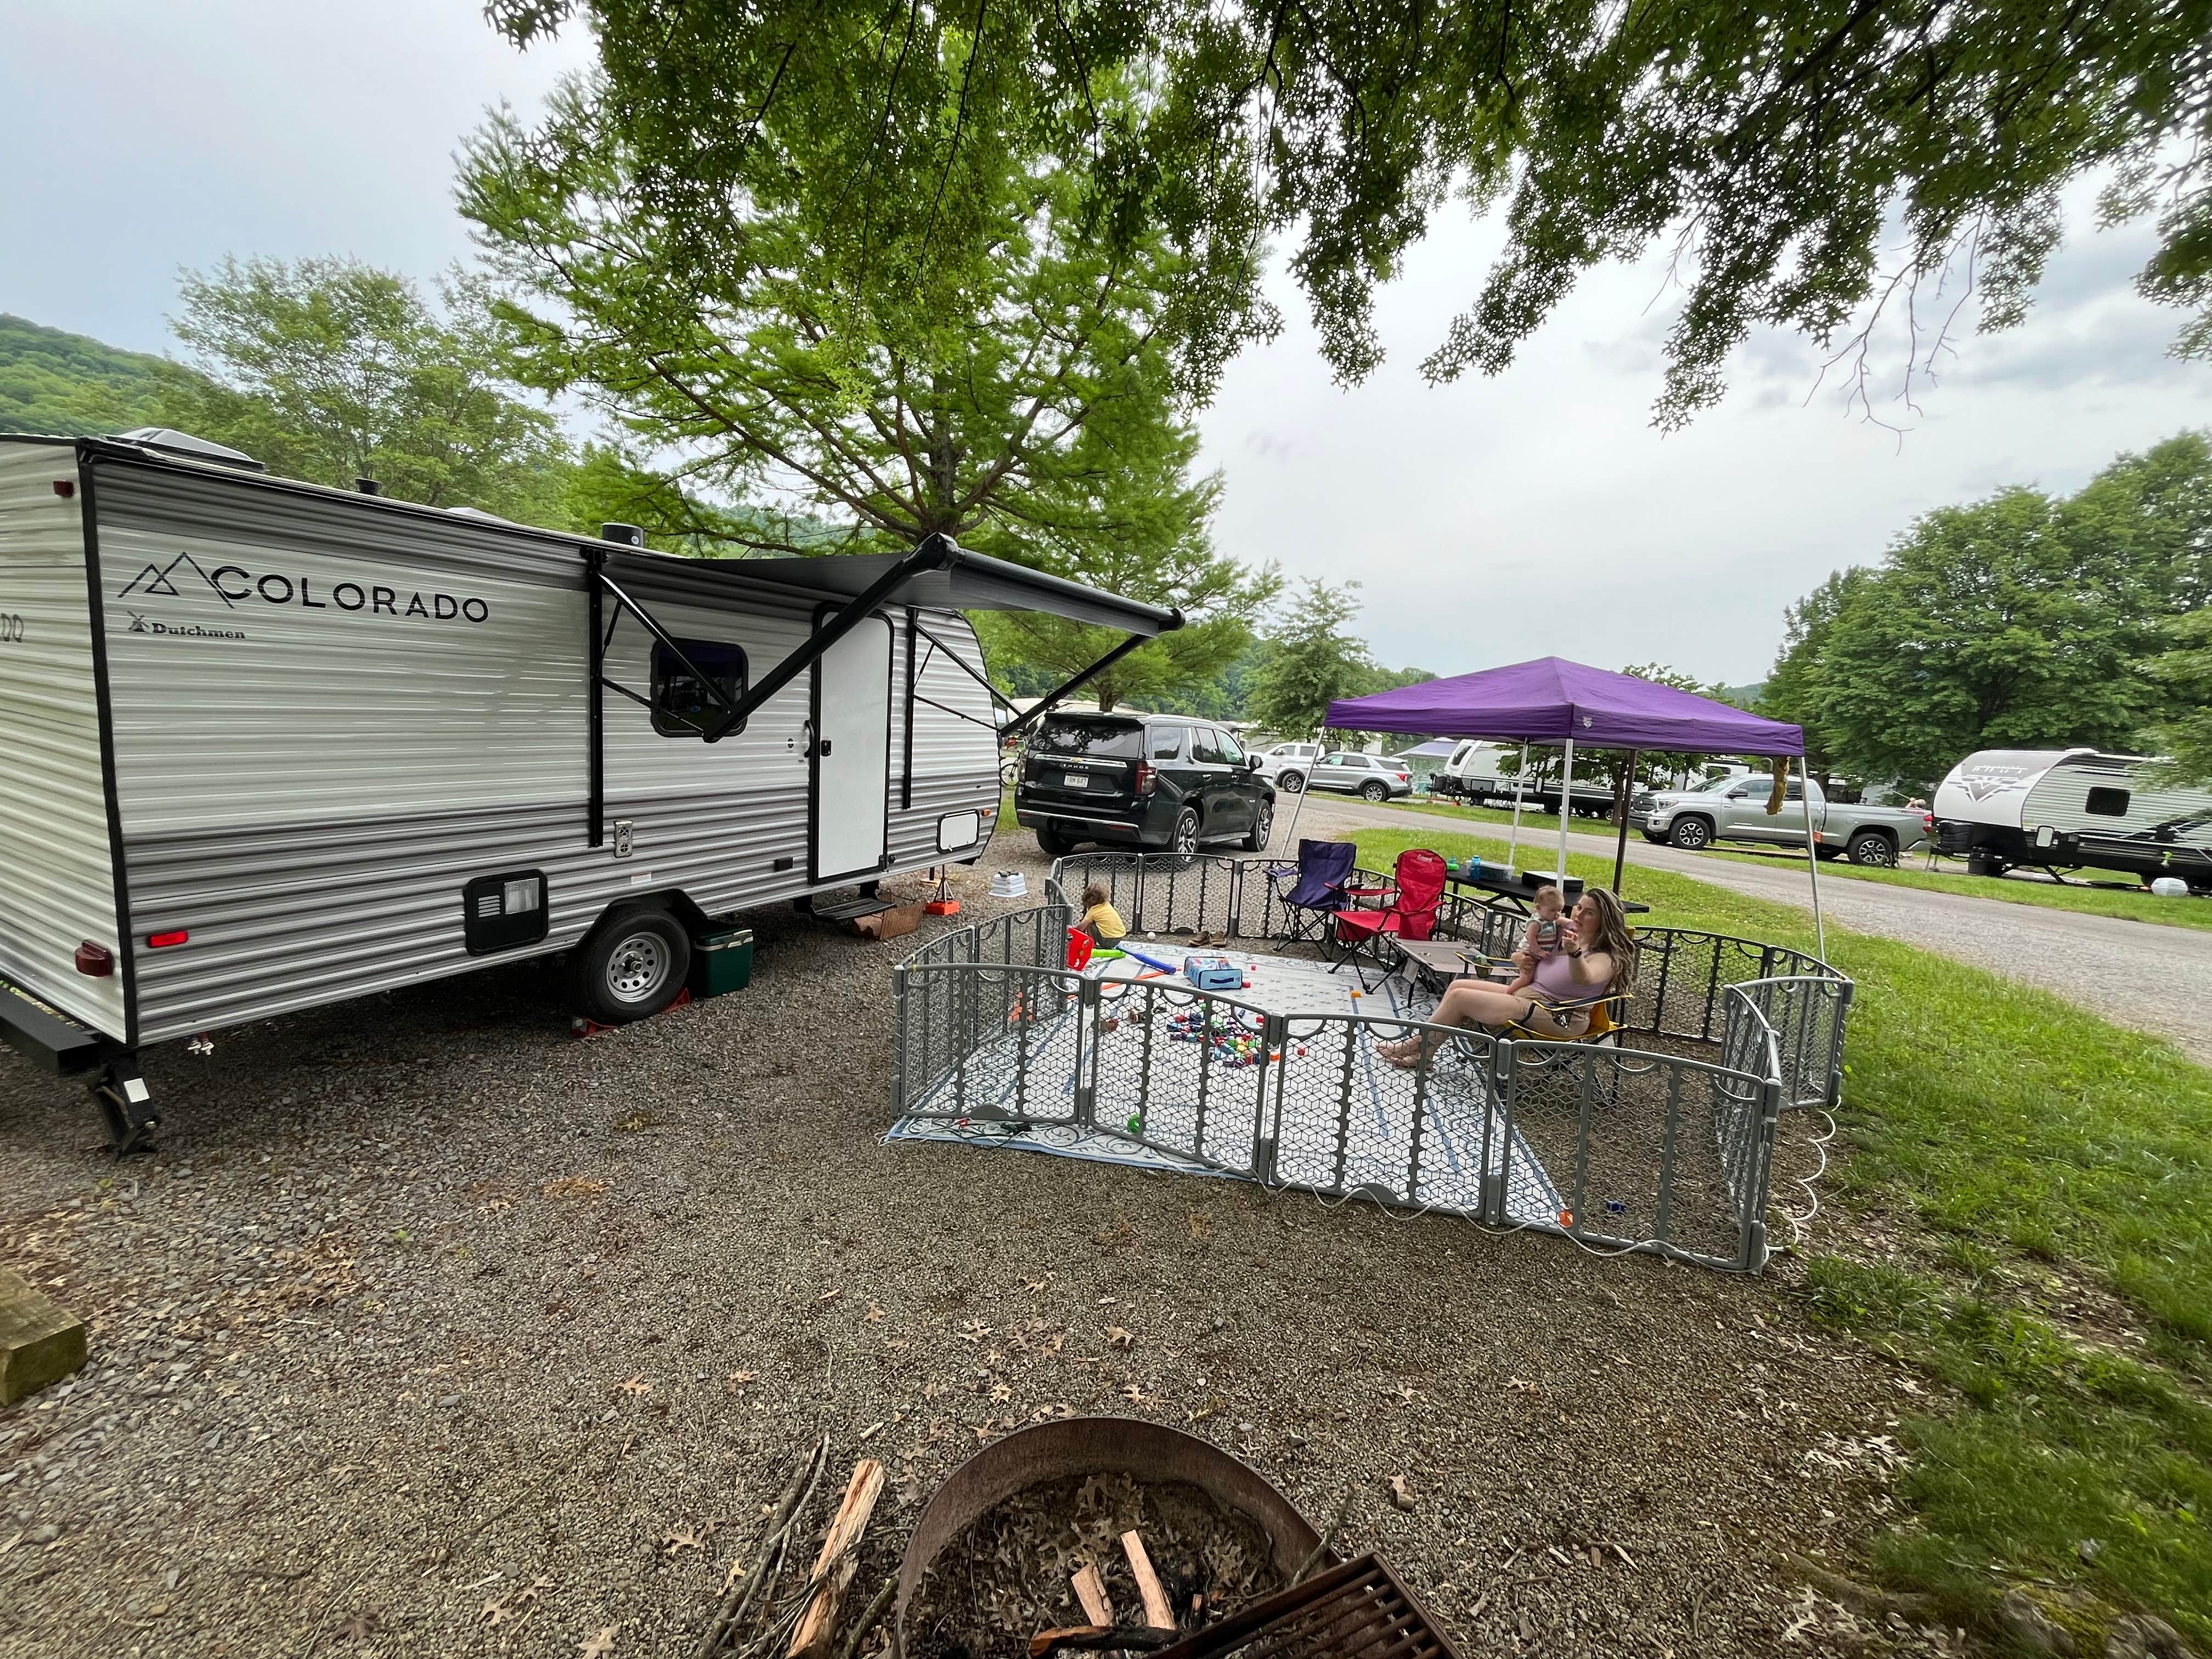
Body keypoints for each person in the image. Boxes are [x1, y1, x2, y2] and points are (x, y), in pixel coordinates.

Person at [1378, 888, 1635, 1067]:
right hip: (1530, 996)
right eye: (1579, 906)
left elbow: (1585, 979)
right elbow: (1529, 937)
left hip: (1558, 1014)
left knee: (1460, 998)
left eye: (1589, 912)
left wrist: (1575, 954)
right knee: (1457, 985)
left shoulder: (1607, 957)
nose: (1578, 914)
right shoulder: (1567, 927)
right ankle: (1425, 1051)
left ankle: (1417, 1048)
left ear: (1605, 920)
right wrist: (1518, 959)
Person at [1501, 884, 1566, 997]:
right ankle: (1509, 992)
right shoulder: (1537, 923)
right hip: (1530, 953)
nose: (1557, 914)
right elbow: (1530, 937)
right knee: (1526, 978)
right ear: (1539, 908)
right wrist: (1539, 951)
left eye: (1560, 910)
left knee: (1533, 978)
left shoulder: (1551, 920)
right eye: (1553, 910)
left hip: (1539, 955)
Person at [1075, 882, 1127, 947]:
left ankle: (1092, 944)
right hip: (1118, 939)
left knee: (1089, 923)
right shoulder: (1107, 905)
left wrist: (1070, 932)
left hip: (1106, 940)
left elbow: (1081, 928)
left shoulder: (1093, 910)